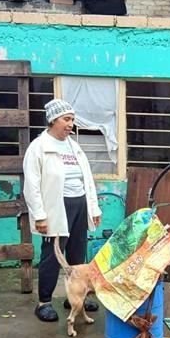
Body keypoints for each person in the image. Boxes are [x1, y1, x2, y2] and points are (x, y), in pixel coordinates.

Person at [23, 99, 102, 322]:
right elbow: (31, 185)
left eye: (72, 119)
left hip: (79, 203)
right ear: (52, 120)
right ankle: (44, 303)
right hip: (56, 207)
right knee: (53, 254)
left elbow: (87, 179)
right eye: (66, 119)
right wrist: (39, 215)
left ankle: (76, 296)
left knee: (77, 253)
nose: (71, 124)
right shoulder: (39, 147)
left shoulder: (73, 146)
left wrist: (93, 207)